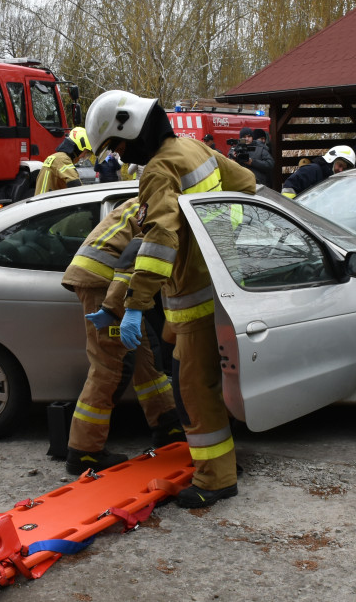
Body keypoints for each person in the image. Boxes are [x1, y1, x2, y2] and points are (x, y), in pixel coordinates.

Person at [85, 89, 256, 509]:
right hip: (216, 287)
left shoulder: (159, 171)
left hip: (192, 298)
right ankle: (220, 467)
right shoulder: (192, 148)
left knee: (195, 393)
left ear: (133, 129)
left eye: (119, 145)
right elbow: (245, 184)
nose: (123, 156)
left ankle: (215, 479)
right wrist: (221, 238)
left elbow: (159, 240)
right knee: (195, 385)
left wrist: (135, 306)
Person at [61, 198, 184, 474]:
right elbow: (134, 257)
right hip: (104, 283)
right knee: (111, 366)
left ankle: (168, 425)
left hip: (104, 276)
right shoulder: (170, 206)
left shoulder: (156, 197)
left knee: (144, 356)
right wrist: (113, 308)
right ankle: (84, 452)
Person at [280, 145, 355, 198]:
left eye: (344, 168)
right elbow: (288, 188)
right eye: (340, 165)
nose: (341, 170)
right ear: (331, 160)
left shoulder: (333, 178)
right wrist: (294, 209)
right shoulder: (312, 170)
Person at [34, 127, 92, 195]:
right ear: (78, 149)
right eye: (85, 153)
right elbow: (75, 185)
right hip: (47, 203)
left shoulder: (57, 157)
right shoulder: (63, 160)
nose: (84, 157)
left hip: (43, 201)